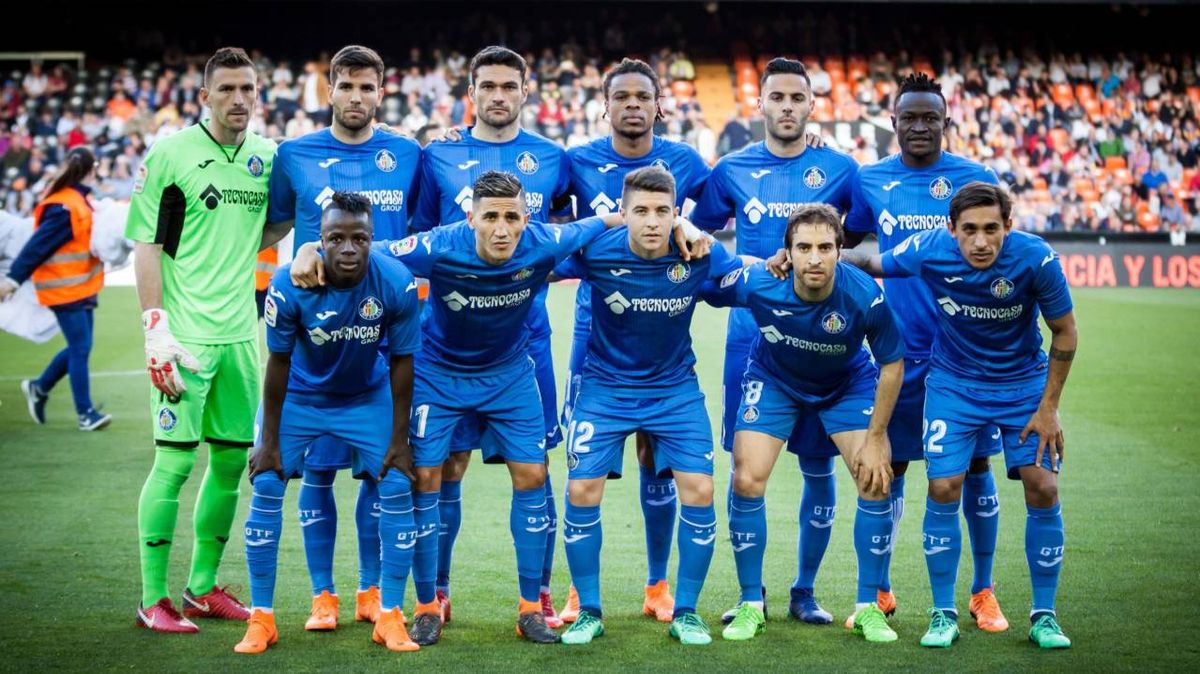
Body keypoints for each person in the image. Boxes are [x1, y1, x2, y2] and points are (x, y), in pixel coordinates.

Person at [291, 170, 703, 644]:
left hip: (509, 375)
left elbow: (608, 220)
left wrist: (684, 227)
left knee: (533, 475)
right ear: (471, 219)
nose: (502, 228)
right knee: (426, 477)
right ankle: (427, 606)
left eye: (512, 217)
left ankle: (530, 608)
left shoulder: (545, 241)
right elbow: (370, 252)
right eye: (490, 217)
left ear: (526, 219)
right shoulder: (439, 245)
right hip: (439, 374)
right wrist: (309, 250)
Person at [843, 182, 1077, 649]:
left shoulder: (1037, 259)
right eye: (969, 230)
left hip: (1023, 386)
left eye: (992, 229)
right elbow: (872, 261)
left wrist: (1049, 407)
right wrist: (814, 255)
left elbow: (1065, 332)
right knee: (944, 484)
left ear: (1009, 226)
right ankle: (943, 612)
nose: (981, 241)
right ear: (951, 229)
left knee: (1044, 485)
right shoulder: (930, 249)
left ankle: (1044, 615)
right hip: (953, 383)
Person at [690, 56, 859, 624]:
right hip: (752, 345)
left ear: (812, 105)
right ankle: (750, 597)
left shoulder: (840, 169)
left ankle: (804, 590)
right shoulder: (731, 169)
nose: (787, 107)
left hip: (826, 346)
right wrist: (754, 269)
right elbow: (701, 240)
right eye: (777, 97)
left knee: (820, 469)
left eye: (797, 97)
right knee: (747, 473)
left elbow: (854, 242)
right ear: (758, 103)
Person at [842, 72, 1009, 632]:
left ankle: (983, 592)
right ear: (892, 122)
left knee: (974, 468)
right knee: (889, 468)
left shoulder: (974, 179)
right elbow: (855, 240)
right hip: (898, 354)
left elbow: (996, 252)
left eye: (929, 117)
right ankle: (880, 593)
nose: (919, 126)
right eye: (908, 117)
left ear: (946, 122)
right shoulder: (871, 181)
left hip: (966, 357)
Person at [411, 45, 570, 629]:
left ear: (525, 91)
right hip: (450, 340)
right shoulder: (437, 156)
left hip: (525, 345)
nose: (499, 94)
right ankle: (437, 594)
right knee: (443, 468)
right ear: (470, 93)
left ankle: (539, 597)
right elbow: (419, 237)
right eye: (488, 85)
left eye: (510, 84)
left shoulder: (554, 157)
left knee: (533, 468)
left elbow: (578, 233)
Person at [266, 44, 423, 630]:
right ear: (329, 89)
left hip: (385, 330)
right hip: (318, 339)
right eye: (346, 86)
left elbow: (424, 228)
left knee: (378, 468)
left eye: (367, 87)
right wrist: (303, 250)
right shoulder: (295, 154)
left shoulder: (408, 154)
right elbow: (278, 223)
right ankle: (322, 595)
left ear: (382, 91)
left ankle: (369, 590)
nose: (356, 97)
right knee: (321, 471)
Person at [125, 47, 278, 633]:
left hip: (242, 337)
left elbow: (271, 224)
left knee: (231, 461)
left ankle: (200, 588)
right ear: (206, 96)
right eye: (228, 89)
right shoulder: (171, 153)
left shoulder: (267, 157)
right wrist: (154, 328)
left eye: (249, 90)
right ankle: (152, 598)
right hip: (184, 338)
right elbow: (147, 244)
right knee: (173, 465)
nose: (239, 100)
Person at [556, 57, 712, 625]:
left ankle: (657, 583)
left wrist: (686, 227)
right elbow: (551, 227)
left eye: (642, 96)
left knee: (658, 457)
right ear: (605, 103)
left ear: (658, 104)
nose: (631, 105)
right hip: (594, 323)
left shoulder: (687, 163)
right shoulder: (576, 162)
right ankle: (580, 594)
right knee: (586, 466)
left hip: (662, 315)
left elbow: (713, 222)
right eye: (620, 96)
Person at [705, 204, 904, 644]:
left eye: (825, 247)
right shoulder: (761, 283)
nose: (815, 258)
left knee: (875, 479)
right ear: (788, 253)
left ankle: (868, 607)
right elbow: (705, 284)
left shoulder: (863, 294)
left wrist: (875, 439)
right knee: (746, 478)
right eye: (804, 248)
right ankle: (750, 604)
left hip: (845, 384)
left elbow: (892, 365)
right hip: (774, 379)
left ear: (839, 251)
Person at [234, 192, 423, 654]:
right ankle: (262, 619)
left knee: (397, 484)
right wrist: (270, 442)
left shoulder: (395, 282)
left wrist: (399, 440)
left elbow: (402, 363)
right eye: (336, 238)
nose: (348, 248)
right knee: (267, 485)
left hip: (365, 395)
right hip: (300, 395)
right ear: (320, 240)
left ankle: (390, 616)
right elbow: (276, 365)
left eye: (359, 238)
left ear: (372, 239)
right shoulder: (289, 284)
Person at [552, 167, 731, 646]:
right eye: (640, 212)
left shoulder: (695, 251)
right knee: (582, 488)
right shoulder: (597, 252)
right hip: (605, 388)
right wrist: (596, 226)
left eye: (662, 212)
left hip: (674, 389)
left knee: (700, 488)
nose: (652, 222)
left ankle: (686, 611)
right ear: (622, 213)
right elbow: (543, 251)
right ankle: (588, 608)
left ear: (676, 213)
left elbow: (743, 275)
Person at [1, 146, 111, 430]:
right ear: (91, 169)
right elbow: (36, 247)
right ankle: (85, 413)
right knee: (80, 347)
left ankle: (40, 386)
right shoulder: (65, 205)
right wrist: (13, 280)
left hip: (79, 286)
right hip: (63, 289)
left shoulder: (77, 200)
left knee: (81, 346)